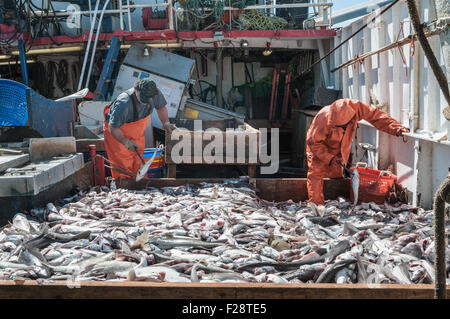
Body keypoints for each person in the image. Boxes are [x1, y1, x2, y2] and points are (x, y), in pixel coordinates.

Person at [306, 98, 410, 205]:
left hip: (340, 147)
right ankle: (317, 206)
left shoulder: (355, 107)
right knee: (316, 174)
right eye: (339, 127)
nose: (342, 129)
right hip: (319, 148)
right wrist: (329, 158)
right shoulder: (322, 119)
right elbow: (313, 142)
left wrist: (396, 128)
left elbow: (376, 116)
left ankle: (335, 202)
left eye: (344, 127)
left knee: (336, 173)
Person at [103, 78, 176, 178]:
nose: (145, 103)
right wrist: (125, 141)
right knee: (124, 167)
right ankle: (125, 190)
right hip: (117, 134)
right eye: (143, 98)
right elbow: (113, 127)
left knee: (139, 165)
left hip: (137, 133)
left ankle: (140, 189)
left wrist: (166, 123)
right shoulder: (124, 103)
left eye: (148, 99)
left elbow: (161, 108)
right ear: (136, 90)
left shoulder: (155, 93)